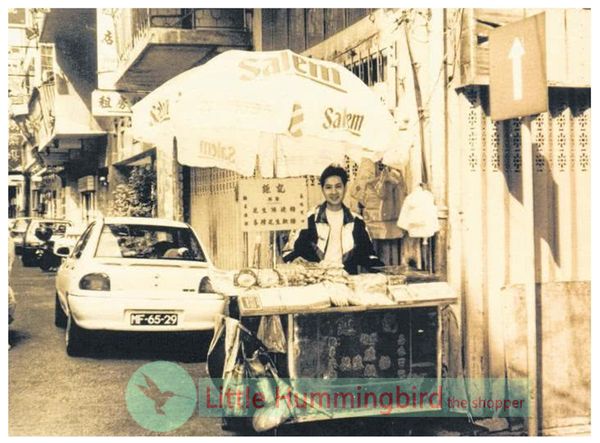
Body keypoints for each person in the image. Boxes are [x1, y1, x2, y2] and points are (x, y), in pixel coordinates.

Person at [282, 164, 384, 275]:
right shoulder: (309, 219)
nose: (334, 192)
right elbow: (289, 252)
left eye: (338, 186)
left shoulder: (357, 221)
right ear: (322, 189)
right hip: (316, 281)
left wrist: (384, 270)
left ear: (345, 188)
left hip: (346, 281)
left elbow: (368, 255)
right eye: (328, 187)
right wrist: (295, 259)